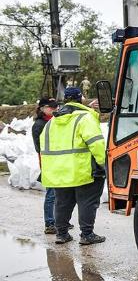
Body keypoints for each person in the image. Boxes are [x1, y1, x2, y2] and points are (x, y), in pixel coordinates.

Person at [39, 87, 106, 245]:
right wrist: (103, 165)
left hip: (58, 172)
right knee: (87, 202)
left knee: (62, 203)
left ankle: (62, 234)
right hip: (83, 170)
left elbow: (44, 148)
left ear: (65, 100)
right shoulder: (85, 118)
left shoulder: (52, 122)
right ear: (81, 98)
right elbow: (96, 144)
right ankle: (87, 234)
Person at [32, 97, 59, 234]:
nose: (54, 109)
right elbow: (39, 148)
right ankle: (49, 223)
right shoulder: (39, 125)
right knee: (51, 194)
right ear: (42, 108)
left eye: (55, 106)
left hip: (59, 162)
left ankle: (59, 221)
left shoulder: (54, 121)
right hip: (48, 163)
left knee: (60, 194)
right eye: (51, 107)